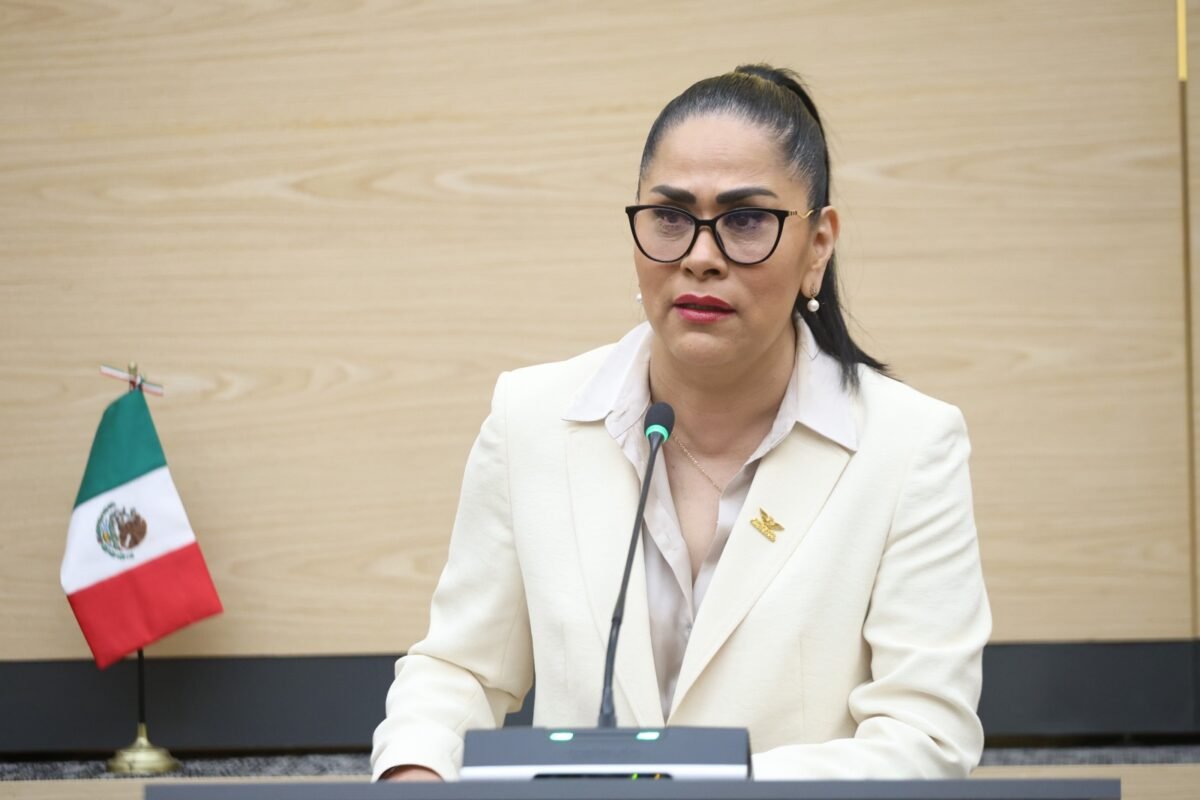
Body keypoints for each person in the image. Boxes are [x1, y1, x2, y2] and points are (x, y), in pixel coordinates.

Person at [371, 64, 991, 781]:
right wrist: (415, 769)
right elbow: (459, 670)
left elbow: (925, 739)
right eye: (670, 217)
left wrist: (696, 785)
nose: (700, 257)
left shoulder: (909, 446)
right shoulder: (531, 419)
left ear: (818, 244)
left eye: (746, 221)